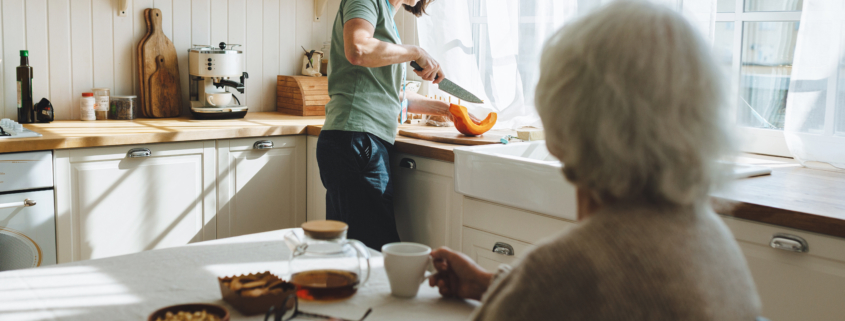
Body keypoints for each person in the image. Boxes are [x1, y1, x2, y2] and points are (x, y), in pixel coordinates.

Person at [427, 1, 763, 320]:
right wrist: (487, 284)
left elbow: (568, 288)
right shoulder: (714, 241)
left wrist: (516, 292)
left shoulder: (561, 270)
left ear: (566, 116)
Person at [318, 0, 460, 249]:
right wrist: (415, 52)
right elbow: (358, 49)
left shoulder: (387, 20)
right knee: (374, 249)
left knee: (350, 251)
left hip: (355, 140)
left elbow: (389, 94)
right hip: (357, 139)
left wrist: (448, 110)